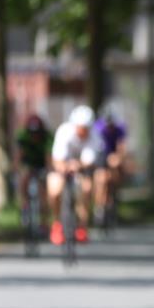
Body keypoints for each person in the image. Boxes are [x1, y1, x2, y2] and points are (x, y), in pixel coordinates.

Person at [48, 105, 104, 245]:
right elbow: (57, 160)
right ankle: (56, 224)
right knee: (55, 190)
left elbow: (88, 161)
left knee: (86, 189)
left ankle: (82, 226)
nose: (82, 131)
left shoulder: (94, 137)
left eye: (86, 128)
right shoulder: (64, 132)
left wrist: (77, 165)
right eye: (80, 127)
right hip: (63, 166)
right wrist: (66, 167)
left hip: (82, 168)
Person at [15, 113, 53, 226]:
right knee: (24, 179)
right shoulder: (23, 136)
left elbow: (48, 156)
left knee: (43, 192)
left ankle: (44, 222)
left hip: (41, 163)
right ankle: (25, 206)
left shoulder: (47, 137)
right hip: (28, 163)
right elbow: (19, 154)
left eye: (37, 133)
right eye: (32, 133)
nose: (34, 136)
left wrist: (48, 170)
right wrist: (16, 167)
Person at [92, 111, 128, 225]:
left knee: (118, 172)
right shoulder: (98, 128)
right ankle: (99, 207)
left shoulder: (120, 129)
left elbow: (121, 146)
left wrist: (118, 157)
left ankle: (114, 198)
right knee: (101, 179)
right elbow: (96, 146)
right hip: (101, 153)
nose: (110, 128)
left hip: (113, 153)